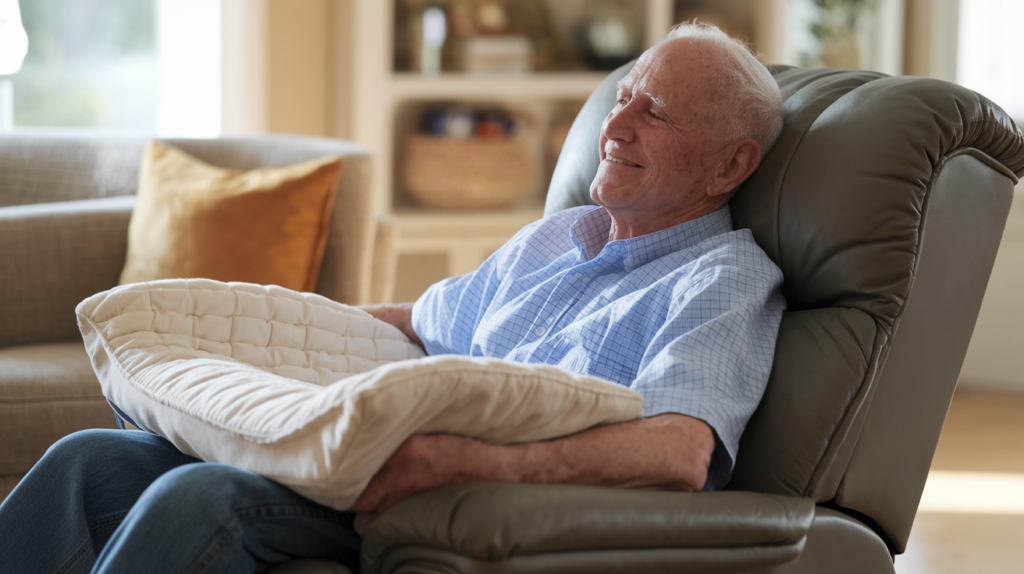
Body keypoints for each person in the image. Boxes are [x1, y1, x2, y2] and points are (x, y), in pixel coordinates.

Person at [0, 22, 785, 574]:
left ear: (729, 167)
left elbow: (680, 452)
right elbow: (417, 323)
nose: (617, 125)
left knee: (198, 497)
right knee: (85, 460)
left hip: (446, 496)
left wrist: (458, 461)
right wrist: (237, 356)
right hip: (354, 455)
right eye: (624, 97)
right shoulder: (562, 235)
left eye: (656, 111)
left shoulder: (722, 277)